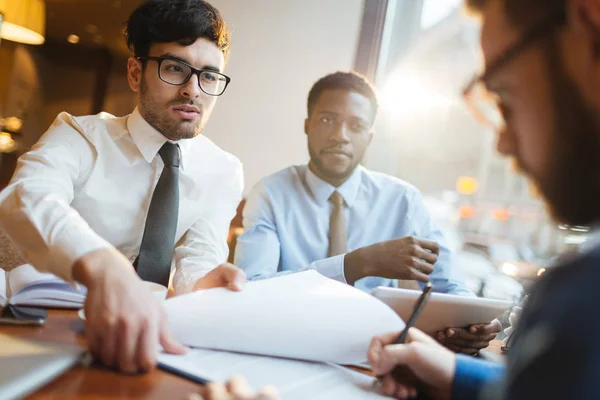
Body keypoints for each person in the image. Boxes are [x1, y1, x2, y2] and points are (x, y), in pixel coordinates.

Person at [366, 0, 600, 398]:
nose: (504, 142)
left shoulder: (582, 302)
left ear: (588, 20)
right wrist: (454, 373)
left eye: (504, 98)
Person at [0, 0, 247, 373]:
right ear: (136, 73)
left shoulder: (224, 170)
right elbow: (26, 196)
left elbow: (197, 259)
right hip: (44, 328)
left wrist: (205, 282)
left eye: (209, 76)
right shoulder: (79, 135)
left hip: (147, 340)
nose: (193, 90)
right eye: (175, 68)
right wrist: (100, 263)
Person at [234, 71, 501, 355]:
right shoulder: (270, 193)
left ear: (370, 137)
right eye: (327, 120)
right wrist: (356, 264)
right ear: (307, 125)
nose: (340, 136)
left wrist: (473, 322)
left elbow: (449, 285)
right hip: (287, 342)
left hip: (375, 351)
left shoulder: (403, 200)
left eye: (356, 125)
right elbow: (252, 290)